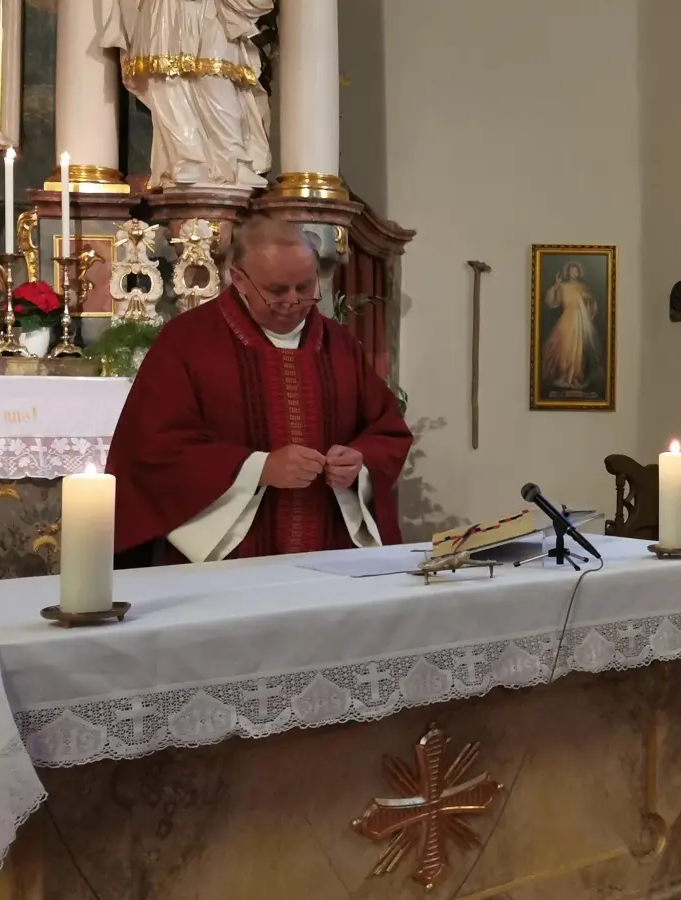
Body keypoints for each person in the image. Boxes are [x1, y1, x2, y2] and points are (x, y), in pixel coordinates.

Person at [107, 216, 412, 566]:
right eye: (278, 291)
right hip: (227, 559)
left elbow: (387, 431)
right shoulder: (187, 342)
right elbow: (151, 449)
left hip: (331, 550)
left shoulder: (340, 345)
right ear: (239, 280)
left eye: (305, 287)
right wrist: (257, 468)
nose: (294, 301)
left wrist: (360, 462)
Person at [101, 0, 273, 189]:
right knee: (167, 77)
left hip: (214, 9)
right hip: (167, 8)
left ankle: (235, 160)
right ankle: (187, 158)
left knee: (218, 78)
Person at [542, 262, 600, 390]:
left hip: (581, 320)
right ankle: (564, 375)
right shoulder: (563, 286)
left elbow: (591, 306)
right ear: (568, 272)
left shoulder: (584, 287)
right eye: (572, 271)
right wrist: (557, 286)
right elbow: (554, 302)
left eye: (576, 271)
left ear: (579, 272)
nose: (574, 273)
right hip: (567, 318)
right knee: (564, 347)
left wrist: (588, 299)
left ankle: (576, 376)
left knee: (579, 350)